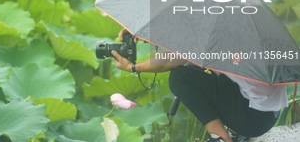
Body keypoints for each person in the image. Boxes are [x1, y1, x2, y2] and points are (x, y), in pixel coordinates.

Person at [111, 29, 288, 142]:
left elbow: (170, 62)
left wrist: (132, 67)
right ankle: (232, 132)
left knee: (180, 77)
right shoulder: (243, 29)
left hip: (251, 117)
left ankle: (219, 137)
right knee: (196, 65)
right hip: (268, 113)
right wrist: (145, 32)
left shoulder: (215, 36)